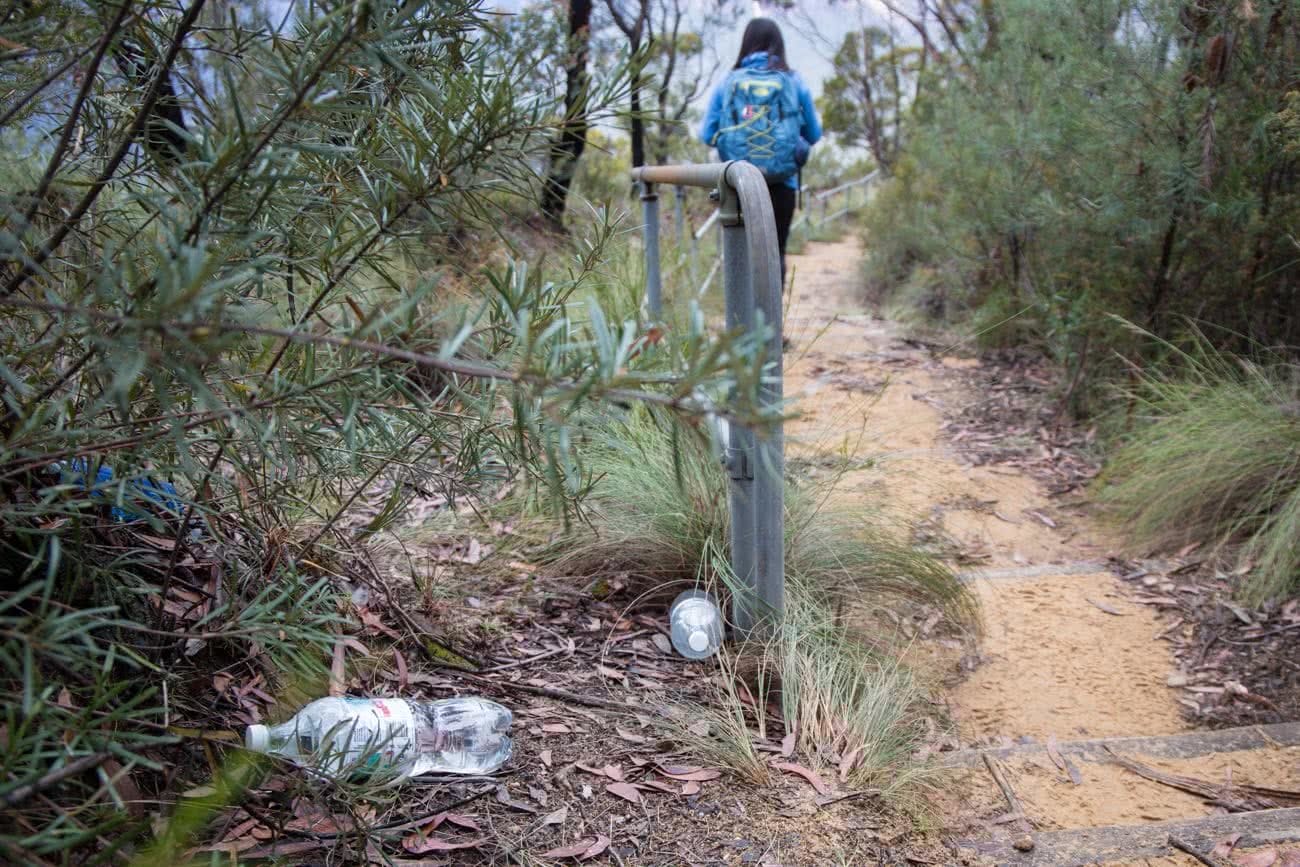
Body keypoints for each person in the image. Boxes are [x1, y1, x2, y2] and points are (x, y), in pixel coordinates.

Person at [700, 17, 822, 285]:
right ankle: (772, 326)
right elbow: (814, 134)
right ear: (779, 45)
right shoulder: (793, 81)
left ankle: (742, 325)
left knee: (740, 257)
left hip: (738, 183)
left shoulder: (728, 82)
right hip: (783, 182)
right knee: (775, 252)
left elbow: (707, 134)